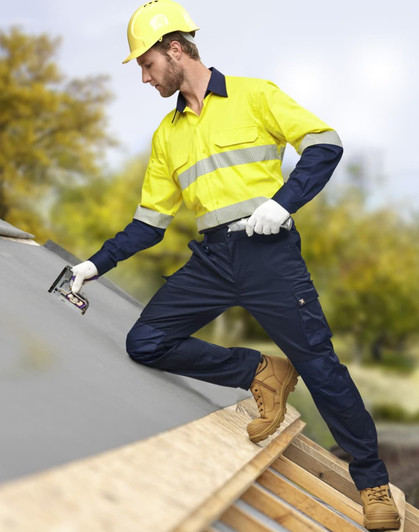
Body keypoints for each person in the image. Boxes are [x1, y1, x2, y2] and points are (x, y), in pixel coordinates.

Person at [70, 1, 400, 529]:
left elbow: (324, 143)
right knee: (147, 342)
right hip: (213, 260)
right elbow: (149, 223)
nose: (144, 77)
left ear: (174, 50)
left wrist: (283, 203)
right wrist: (94, 264)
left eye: (147, 64)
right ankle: (261, 372)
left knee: (321, 368)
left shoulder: (254, 94)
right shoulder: (167, 136)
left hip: (268, 253)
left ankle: (372, 483)